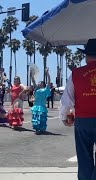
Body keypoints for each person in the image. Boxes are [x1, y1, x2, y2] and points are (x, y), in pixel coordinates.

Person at [60, 39, 96, 180]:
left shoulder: (76, 73)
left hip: (83, 121)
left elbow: (67, 99)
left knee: (84, 156)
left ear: (86, 56)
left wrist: (64, 116)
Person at [30, 68, 51, 135]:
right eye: (38, 82)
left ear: (43, 84)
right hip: (36, 106)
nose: (38, 83)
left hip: (42, 106)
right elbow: (33, 81)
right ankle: (37, 129)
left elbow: (49, 81)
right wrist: (32, 75)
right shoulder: (37, 89)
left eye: (40, 82)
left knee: (41, 118)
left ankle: (41, 129)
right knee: (35, 118)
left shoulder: (45, 89)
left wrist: (47, 73)